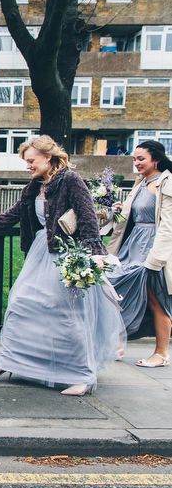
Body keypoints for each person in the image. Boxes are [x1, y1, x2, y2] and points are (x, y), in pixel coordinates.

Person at [0, 135, 125, 396]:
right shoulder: (34, 186)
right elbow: (15, 213)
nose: (28, 165)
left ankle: (82, 376)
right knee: (21, 304)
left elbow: (86, 216)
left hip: (65, 254)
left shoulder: (70, 180)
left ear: (47, 157)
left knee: (68, 315)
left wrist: (95, 251)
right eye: (26, 161)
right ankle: (9, 363)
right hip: (41, 253)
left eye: (31, 160)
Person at [106, 140, 172, 367]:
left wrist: (156, 258)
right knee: (113, 286)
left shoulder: (167, 182)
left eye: (141, 159)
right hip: (133, 246)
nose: (136, 163)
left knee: (156, 299)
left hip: (153, 247)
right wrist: (120, 210)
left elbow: (168, 224)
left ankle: (161, 353)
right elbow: (134, 217)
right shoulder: (141, 183)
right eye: (134, 159)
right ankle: (117, 342)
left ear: (156, 159)